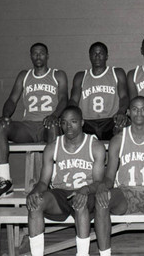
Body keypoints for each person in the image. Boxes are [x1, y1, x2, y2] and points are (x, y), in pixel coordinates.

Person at [95, 96, 144, 256]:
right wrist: (103, 187)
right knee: (101, 200)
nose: (139, 113)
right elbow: (110, 176)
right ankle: (104, 254)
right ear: (128, 112)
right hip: (125, 193)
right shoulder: (118, 139)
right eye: (135, 109)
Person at [0, 42, 68, 201]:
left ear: (48, 55)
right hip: (27, 127)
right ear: (31, 56)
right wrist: (5, 116)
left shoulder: (58, 75)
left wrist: (55, 115)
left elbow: (64, 98)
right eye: (35, 53)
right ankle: (5, 181)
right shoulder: (24, 75)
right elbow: (12, 100)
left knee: (53, 126)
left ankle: (52, 181)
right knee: (0, 128)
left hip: (47, 125)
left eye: (42, 53)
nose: (38, 56)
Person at [26, 106, 106, 256]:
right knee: (35, 204)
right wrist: (34, 192)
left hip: (86, 193)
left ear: (82, 122)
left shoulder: (95, 146)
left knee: (80, 204)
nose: (68, 126)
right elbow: (43, 182)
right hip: (60, 193)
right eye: (64, 123)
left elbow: (98, 183)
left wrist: (84, 190)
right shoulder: (52, 147)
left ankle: (82, 254)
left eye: (73, 121)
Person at [69, 42, 129, 140]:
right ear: (90, 56)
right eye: (94, 53)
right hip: (87, 121)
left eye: (100, 53)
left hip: (111, 120)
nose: (97, 56)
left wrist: (121, 111)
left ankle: (117, 154)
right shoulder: (80, 76)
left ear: (106, 56)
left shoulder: (117, 73)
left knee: (122, 123)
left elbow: (124, 97)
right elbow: (73, 100)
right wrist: (73, 114)